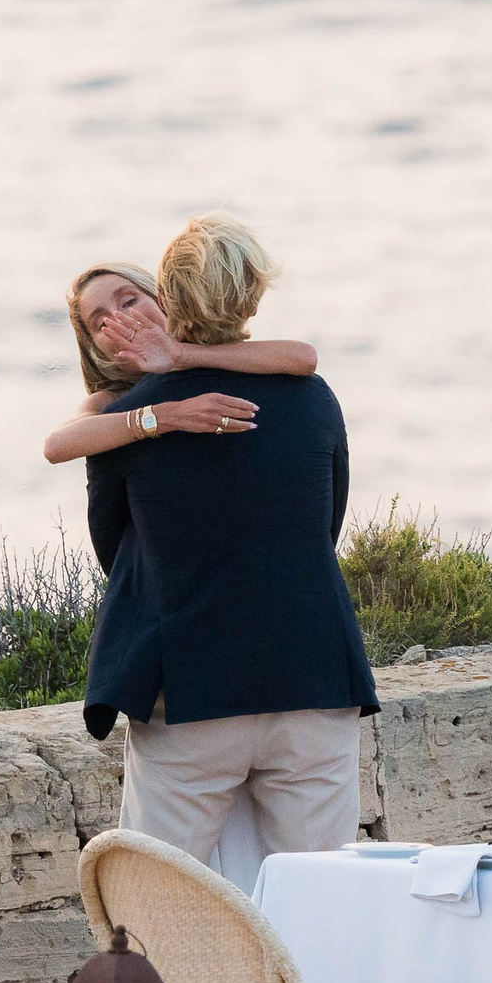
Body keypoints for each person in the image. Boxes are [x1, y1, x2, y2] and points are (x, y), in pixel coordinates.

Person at [75, 217, 378, 868]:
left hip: (189, 694)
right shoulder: (314, 397)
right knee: (324, 894)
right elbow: (325, 525)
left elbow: (114, 554)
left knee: (165, 899)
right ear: (250, 293)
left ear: (168, 298)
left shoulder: (129, 422)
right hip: (311, 677)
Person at [43, 259, 315, 464]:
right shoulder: (108, 401)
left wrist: (180, 354)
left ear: (160, 299)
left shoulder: (216, 355)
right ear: (96, 351)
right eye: (102, 323)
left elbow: (303, 358)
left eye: (128, 301)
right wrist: (170, 415)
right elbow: (56, 446)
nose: (121, 319)